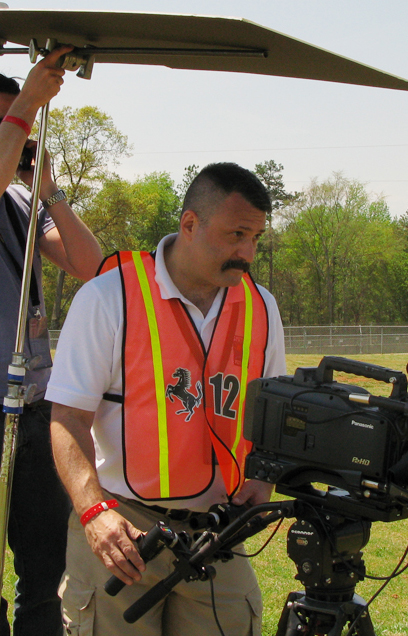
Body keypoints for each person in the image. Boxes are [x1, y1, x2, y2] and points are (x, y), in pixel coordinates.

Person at [47, 162, 287, 636]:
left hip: (219, 532)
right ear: (190, 224)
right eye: (237, 234)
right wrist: (96, 514)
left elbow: (270, 412)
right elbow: (67, 420)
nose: (248, 253)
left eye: (256, 238)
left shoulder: (263, 306)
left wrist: (262, 475)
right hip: (122, 527)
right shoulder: (108, 296)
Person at [0, 47, 103, 636]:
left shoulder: (19, 201)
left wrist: (51, 191)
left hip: (33, 409)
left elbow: (90, 264)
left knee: (45, 569)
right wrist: (28, 101)